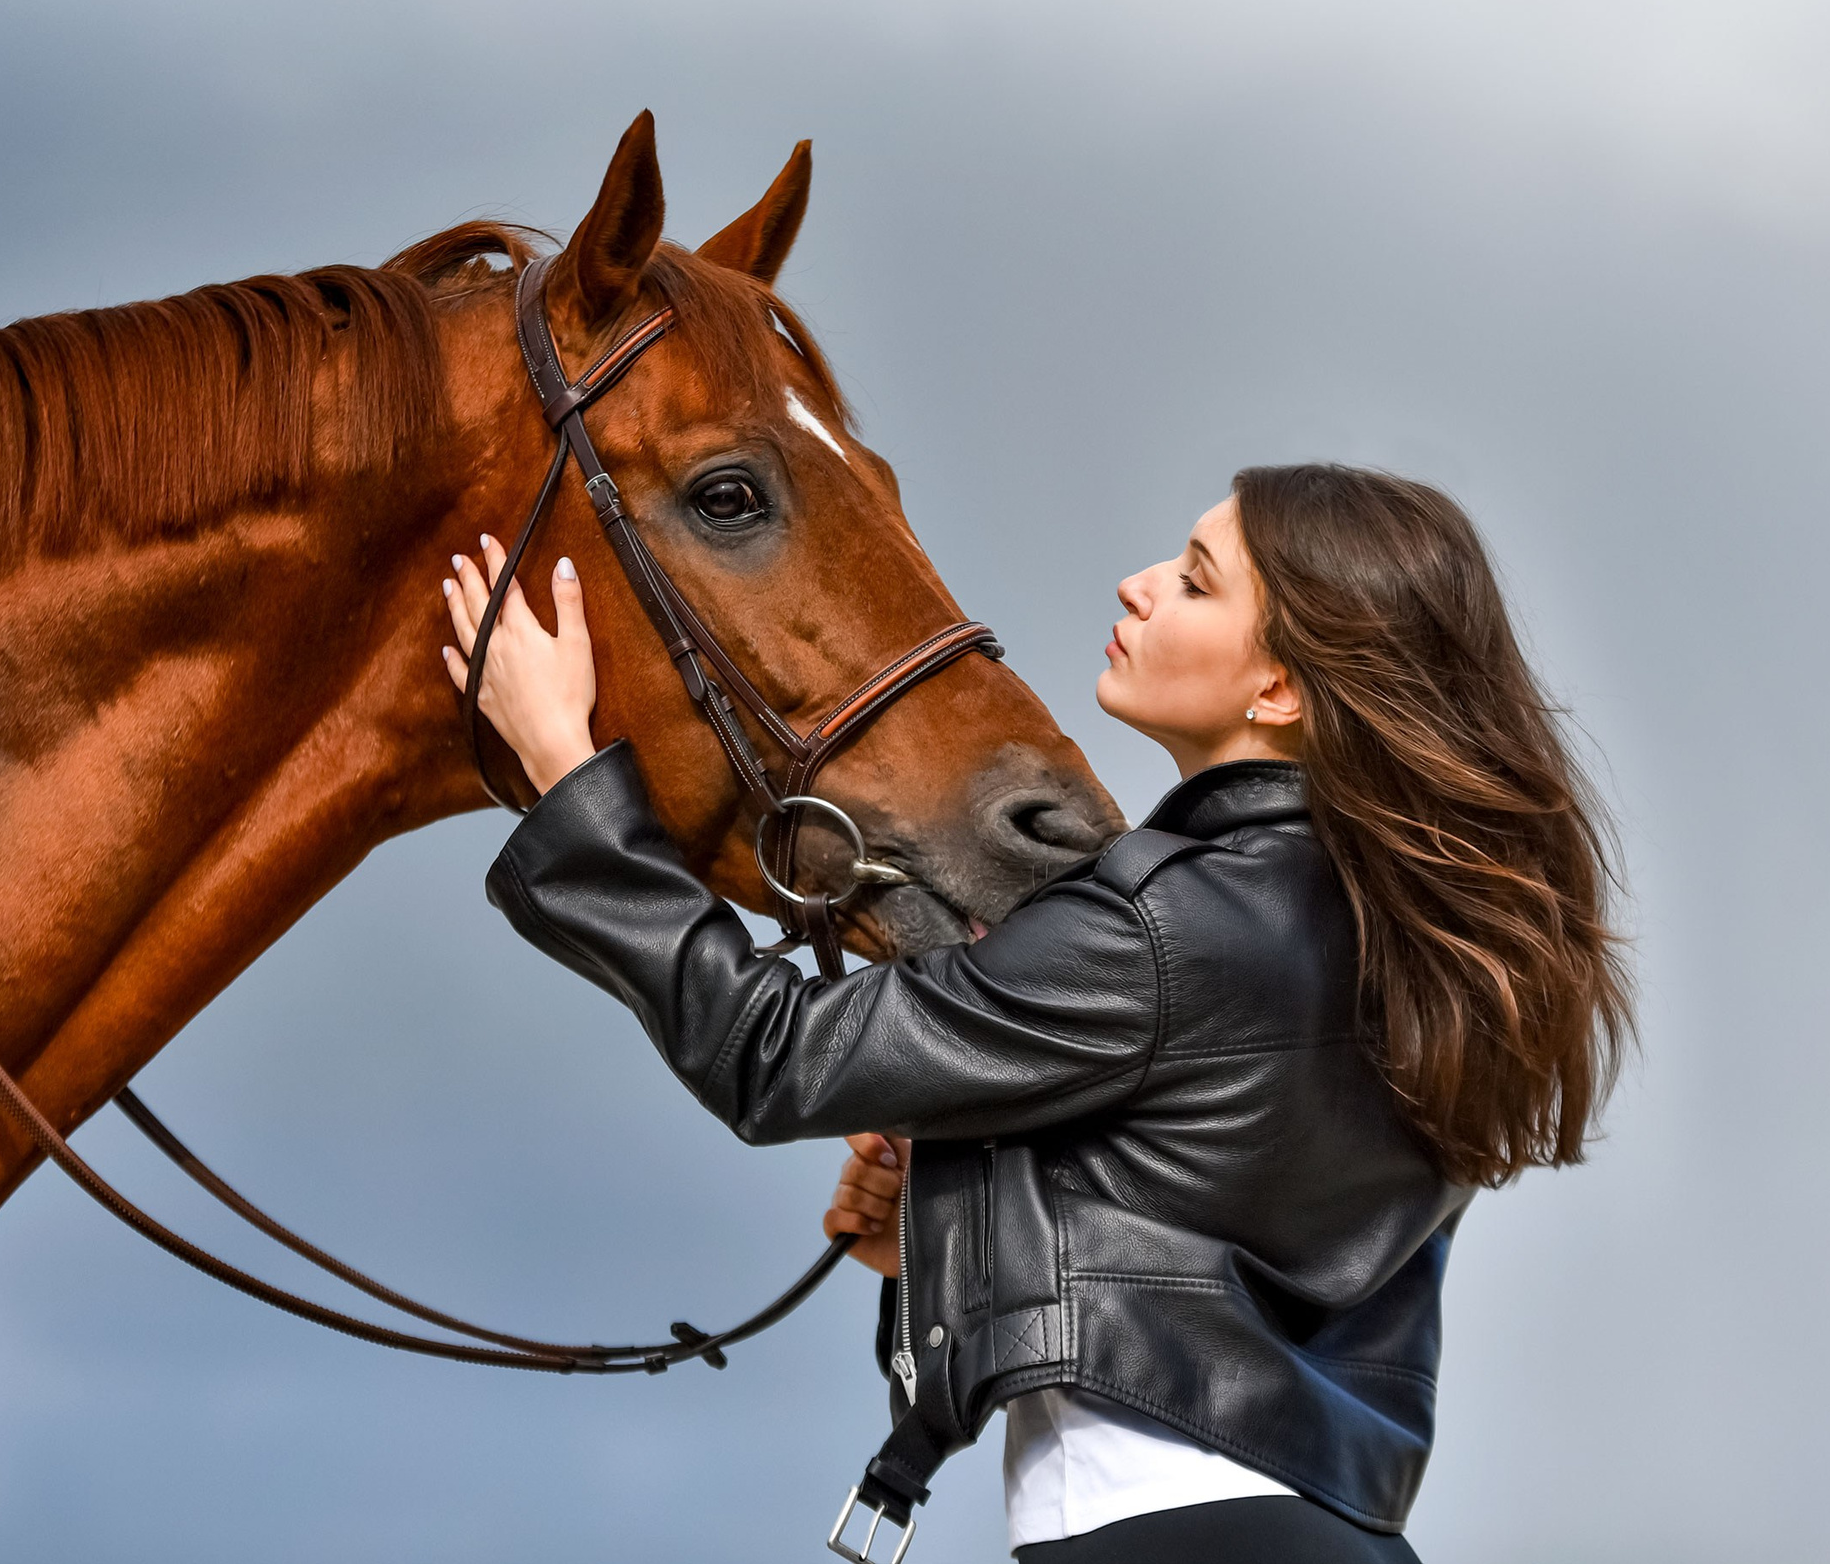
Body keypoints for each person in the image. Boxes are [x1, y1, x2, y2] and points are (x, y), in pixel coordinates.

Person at [442, 463, 1630, 1562]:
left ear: (1278, 686)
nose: (1140, 582)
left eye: (1195, 578)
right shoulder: (1406, 939)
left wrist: (565, 770)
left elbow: (775, 1054)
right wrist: (944, 1226)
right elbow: (1217, 1211)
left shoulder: (1165, 923)